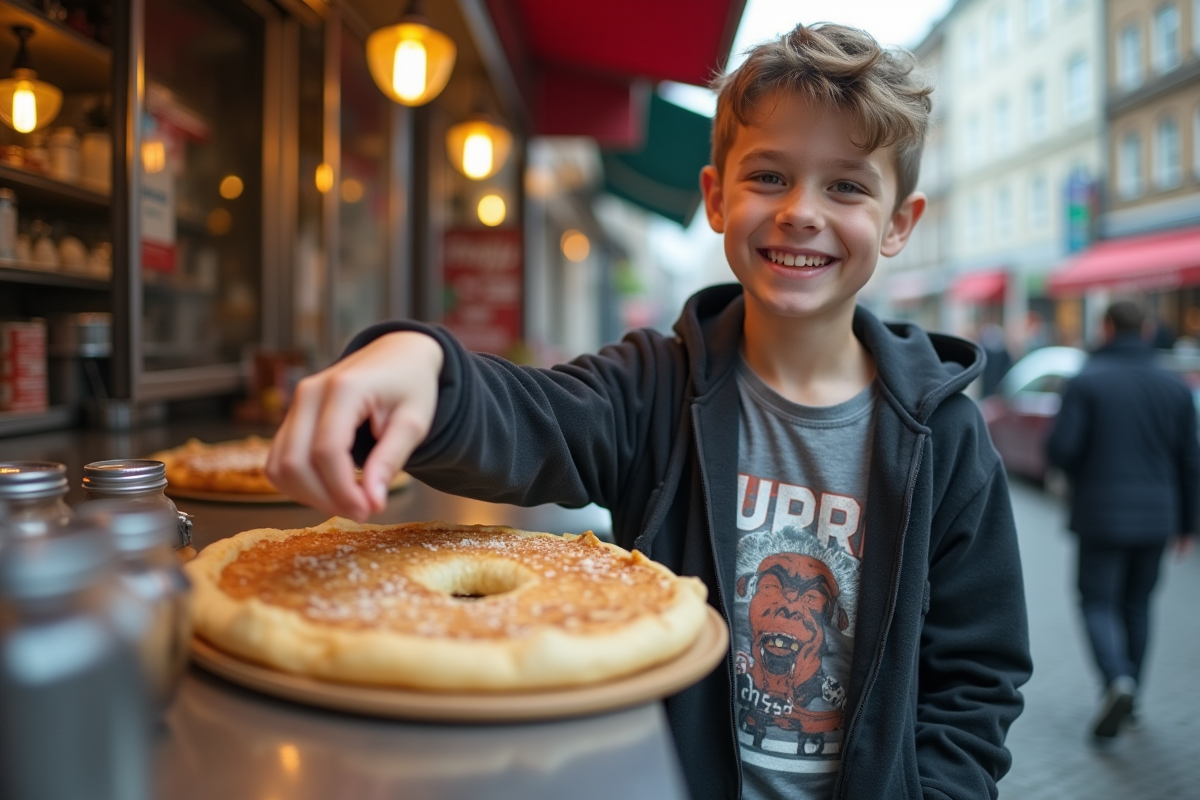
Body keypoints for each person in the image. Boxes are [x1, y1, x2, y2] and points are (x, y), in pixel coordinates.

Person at [267, 23, 1032, 800]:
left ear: (900, 222)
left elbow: (977, 677)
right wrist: (420, 362)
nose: (802, 211)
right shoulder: (653, 387)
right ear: (716, 197)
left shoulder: (948, 438)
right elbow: (529, 417)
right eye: (769, 176)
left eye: (846, 186)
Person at [1046, 300, 1199, 741]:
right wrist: (1187, 524)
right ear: (1147, 331)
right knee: (1137, 604)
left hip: (1100, 514)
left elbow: (1062, 450)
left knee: (1097, 601)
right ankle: (1133, 695)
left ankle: (1117, 680)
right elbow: (1191, 461)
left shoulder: (1086, 381)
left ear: (1107, 328)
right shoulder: (1175, 386)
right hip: (1157, 518)